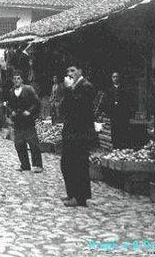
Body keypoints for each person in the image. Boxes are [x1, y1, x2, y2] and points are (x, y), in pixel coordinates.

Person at [61, 65, 96, 207]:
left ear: (80, 71)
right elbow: (65, 107)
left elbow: (79, 107)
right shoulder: (73, 87)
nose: (70, 74)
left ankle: (80, 197)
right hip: (71, 131)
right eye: (68, 71)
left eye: (73, 71)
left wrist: (69, 89)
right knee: (66, 163)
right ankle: (71, 193)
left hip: (81, 132)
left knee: (78, 165)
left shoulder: (86, 86)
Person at [6, 71, 43, 173]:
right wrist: (11, 111)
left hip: (28, 121)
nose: (16, 80)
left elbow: (36, 102)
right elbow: (8, 104)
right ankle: (25, 165)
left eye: (18, 78)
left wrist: (29, 111)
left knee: (33, 143)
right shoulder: (11, 91)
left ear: (22, 79)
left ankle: (38, 165)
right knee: (19, 144)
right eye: (15, 79)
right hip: (18, 121)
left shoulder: (28, 89)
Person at [99, 72, 133, 149]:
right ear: (111, 78)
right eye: (114, 77)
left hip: (122, 113)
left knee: (122, 128)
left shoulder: (124, 89)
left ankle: (122, 146)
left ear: (119, 78)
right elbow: (106, 102)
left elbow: (127, 101)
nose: (115, 78)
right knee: (114, 129)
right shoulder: (109, 90)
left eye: (117, 77)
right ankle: (115, 146)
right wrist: (109, 110)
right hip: (113, 113)